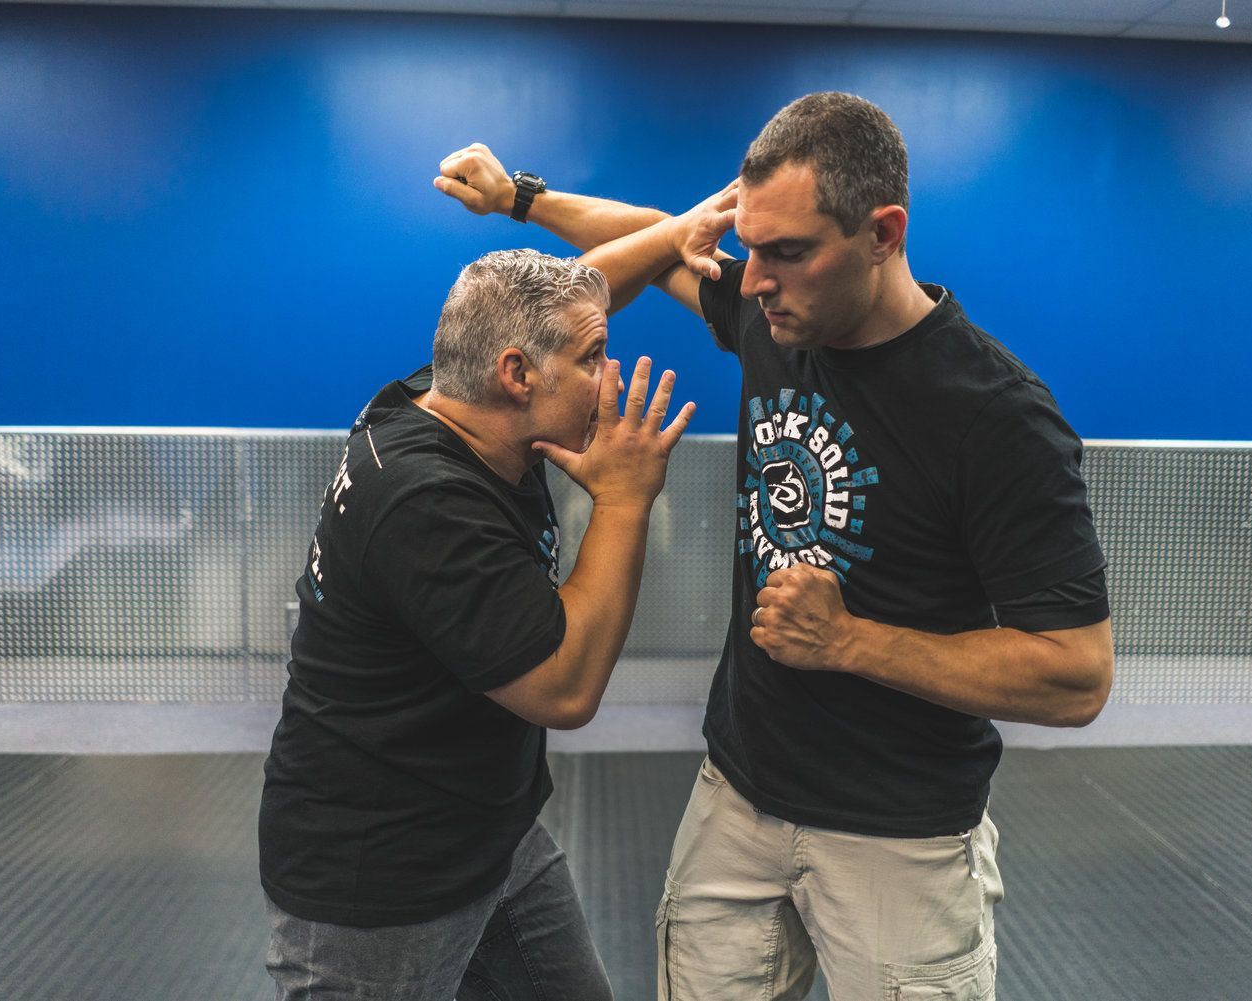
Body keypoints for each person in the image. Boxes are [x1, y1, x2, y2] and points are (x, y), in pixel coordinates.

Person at [435, 92, 1114, 1001]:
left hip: (900, 834)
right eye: (750, 247)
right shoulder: (778, 314)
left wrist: (852, 641)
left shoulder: (997, 417)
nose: (753, 278)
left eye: (788, 252)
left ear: (883, 234)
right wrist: (519, 198)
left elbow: (1076, 674)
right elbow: (662, 237)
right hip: (739, 795)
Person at [258, 249, 695, 1001]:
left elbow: (545, 312)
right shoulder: (428, 501)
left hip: (489, 837)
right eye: (594, 358)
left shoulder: (443, 397)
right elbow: (562, 688)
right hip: (381, 876)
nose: (609, 380)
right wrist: (624, 499)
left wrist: (673, 234)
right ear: (517, 375)